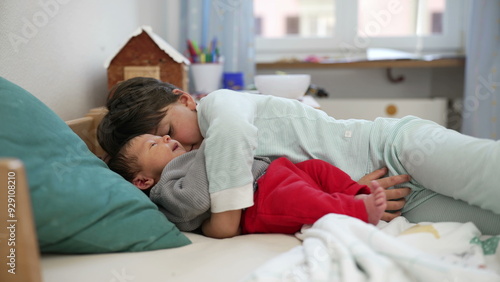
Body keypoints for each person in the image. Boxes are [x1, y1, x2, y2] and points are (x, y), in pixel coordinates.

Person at [98, 77, 500, 236]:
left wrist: (222, 223)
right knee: (488, 224)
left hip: (391, 146)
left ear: (185, 99)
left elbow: (234, 135)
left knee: (487, 174)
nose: (175, 147)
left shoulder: (218, 107)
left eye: (168, 132)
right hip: (387, 195)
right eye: (159, 146)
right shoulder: (200, 158)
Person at [107, 134, 388, 237]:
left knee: (317, 168)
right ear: (143, 181)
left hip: (273, 172)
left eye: (162, 135)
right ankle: (358, 210)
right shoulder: (165, 188)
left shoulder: (187, 159)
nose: (166, 139)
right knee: (301, 199)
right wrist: (214, 145)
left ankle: (358, 193)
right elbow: (196, 200)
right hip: (259, 199)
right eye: (154, 144)